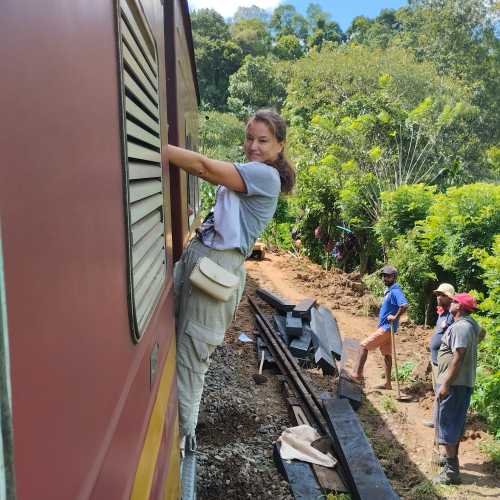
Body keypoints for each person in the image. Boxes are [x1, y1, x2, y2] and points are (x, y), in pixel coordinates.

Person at [168, 109, 295, 453]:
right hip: (206, 261)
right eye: (250, 138)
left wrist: (157, 148)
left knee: (191, 355)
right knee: (180, 344)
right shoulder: (254, 171)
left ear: (279, 145)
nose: (253, 146)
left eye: (263, 140)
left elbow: (205, 168)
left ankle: (183, 441)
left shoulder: (265, 176)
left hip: (217, 270)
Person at [434, 292, 483, 485]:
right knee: (451, 424)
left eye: (454, 301)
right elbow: (482, 334)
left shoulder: (462, 327)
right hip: (461, 383)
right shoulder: (471, 324)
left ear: (459, 307)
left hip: (454, 384)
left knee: (448, 425)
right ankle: (448, 462)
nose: (451, 303)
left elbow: (459, 356)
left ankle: (451, 473)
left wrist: (446, 383)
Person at [352, 265, 408, 388]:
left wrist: (395, 317)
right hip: (386, 328)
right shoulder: (389, 291)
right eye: (384, 276)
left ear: (394, 277)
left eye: (388, 276)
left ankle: (357, 375)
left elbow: (404, 305)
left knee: (363, 346)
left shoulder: (395, 291)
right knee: (387, 355)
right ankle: (388, 384)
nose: (385, 279)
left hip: (387, 328)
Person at [422, 283, 455, 428]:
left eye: (441, 295)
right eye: (437, 294)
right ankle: (437, 420)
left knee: (442, 391)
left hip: (444, 362)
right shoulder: (442, 314)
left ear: (449, 297)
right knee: (437, 390)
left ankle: (442, 422)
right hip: (435, 360)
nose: (438, 297)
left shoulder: (453, 316)